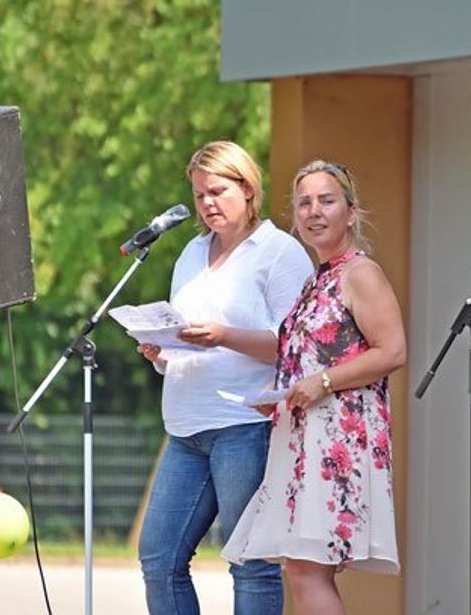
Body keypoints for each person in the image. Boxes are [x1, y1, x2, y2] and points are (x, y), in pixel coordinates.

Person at [136, 140, 313, 614]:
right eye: (199, 195)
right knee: (159, 559)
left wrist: (224, 336)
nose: (207, 203)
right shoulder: (191, 253)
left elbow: (295, 345)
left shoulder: (279, 252)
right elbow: (185, 342)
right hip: (185, 428)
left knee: (250, 563)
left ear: (248, 187)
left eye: (217, 191)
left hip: (245, 425)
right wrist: (160, 350)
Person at [222, 160, 406, 614]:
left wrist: (321, 383)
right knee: (301, 567)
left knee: (307, 568)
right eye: (303, 203)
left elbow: (392, 351)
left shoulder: (359, 274)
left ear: (351, 211)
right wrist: (283, 396)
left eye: (326, 201)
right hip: (303, 437)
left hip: (337, 439)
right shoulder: (316, 280)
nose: (313, 212)